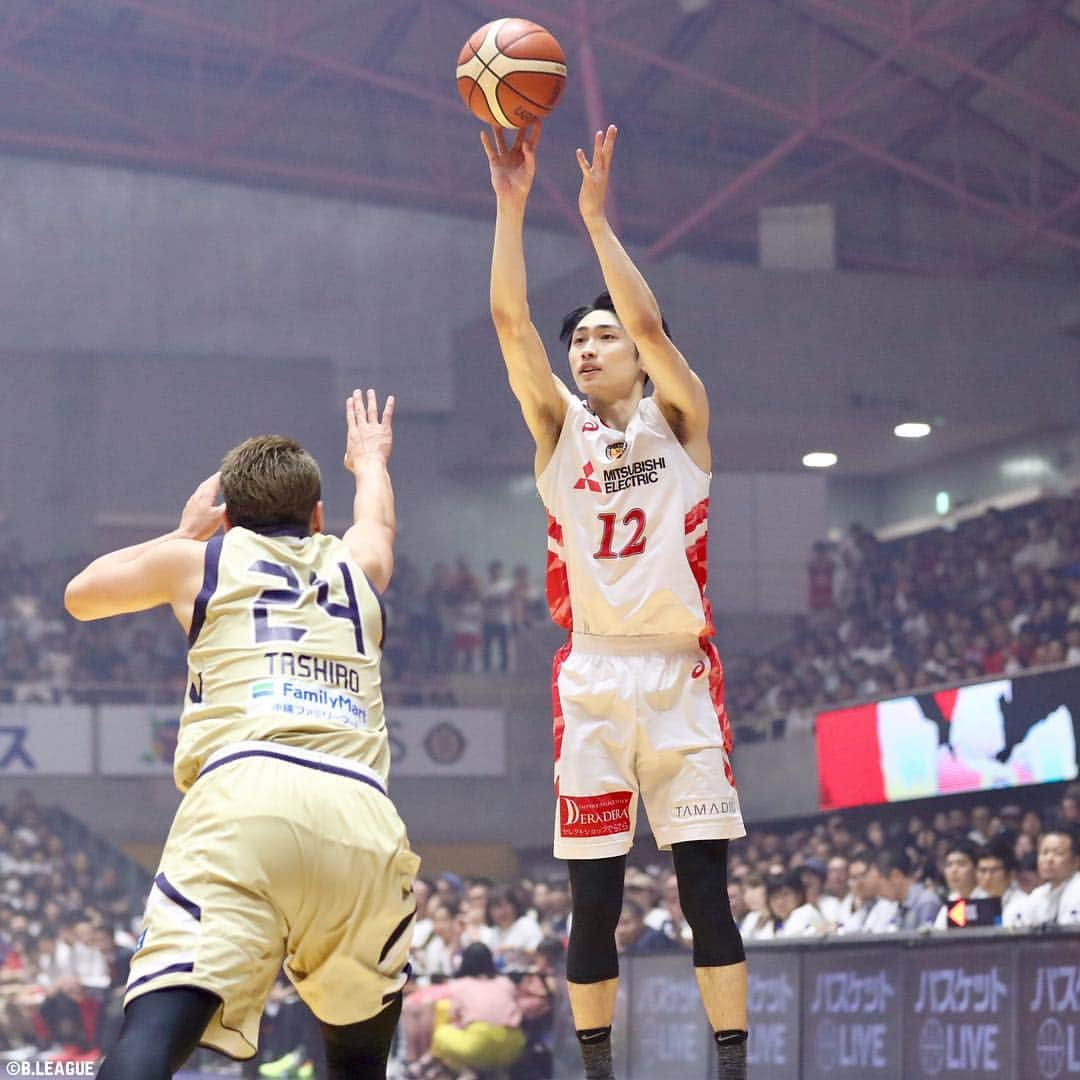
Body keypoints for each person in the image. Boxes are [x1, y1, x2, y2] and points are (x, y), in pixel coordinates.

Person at [483, 121, 747, 1080]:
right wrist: (512, 207)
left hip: (679, 677)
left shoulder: (682, 423)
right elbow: (512, 326)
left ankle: (733, 1063)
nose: (588, 349)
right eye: (580, 341)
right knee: (592, 902)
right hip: (593, 678)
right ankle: (596, 1067)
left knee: (703, 895)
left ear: (634, 357)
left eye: (601, 338)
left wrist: (595, 220)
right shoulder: (561, 435)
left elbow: (651, 326)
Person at [64, 390, 420, 1080]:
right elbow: (377, 522)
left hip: (243, 794)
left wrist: (185, 532)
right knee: (357, 1056)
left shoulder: (201, 560)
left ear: (228, 517)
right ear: (318, 517)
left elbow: (82, 594)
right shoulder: (359, 567)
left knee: (155, 1036)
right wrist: (370, 460)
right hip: (360, 810)